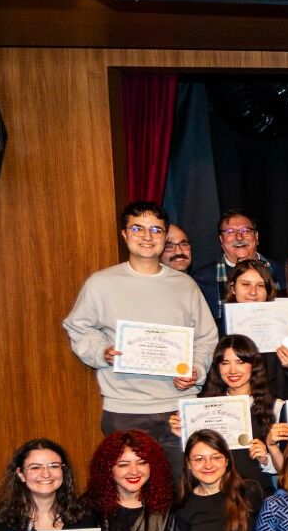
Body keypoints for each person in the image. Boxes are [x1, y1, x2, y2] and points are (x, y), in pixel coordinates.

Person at [63, 201, 218, 473]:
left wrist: (197, 369)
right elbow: (78, 327)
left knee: (179, 494)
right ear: (124, 235)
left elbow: (206, 338)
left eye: (156, 230)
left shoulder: (185, 285)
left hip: (179, 409)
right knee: (130, 497)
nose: (147, 237)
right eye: (138, 228)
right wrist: (102, 352)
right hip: (125, 409)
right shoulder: (101, 283)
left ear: (164, 236)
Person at [169, 335, 288, 494]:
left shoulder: (275, 407)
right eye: (225, 363)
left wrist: (265, 458)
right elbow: (194, 461)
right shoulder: (202, 407)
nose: (232, 370)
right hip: (213, 493)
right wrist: (183, 435)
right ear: (217, 367)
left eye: (240, 362)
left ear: (253, 365)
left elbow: (286, 471)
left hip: (255, 494)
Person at [220, 258, 288, 391]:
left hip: (275, 401)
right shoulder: (219, 328)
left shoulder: (287, 323)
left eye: (260, 286)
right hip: (234, 403)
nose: (253, 292)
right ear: (233, 288)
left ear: (268, 290)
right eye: (246, 284)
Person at [201, 209, 282, 323]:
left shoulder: (282, 272)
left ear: (257, 236)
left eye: (245, 230)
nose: (239, 237)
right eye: (230, 232)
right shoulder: (202, 279)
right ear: (221, 239)